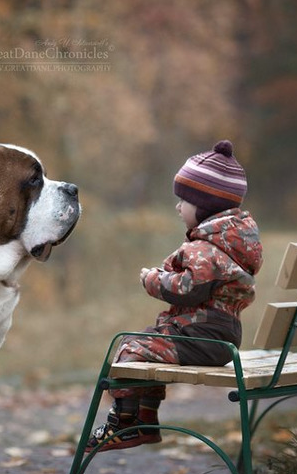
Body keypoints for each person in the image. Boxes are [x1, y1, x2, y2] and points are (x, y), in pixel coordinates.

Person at [86, 140, 263, 453]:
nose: (178, 207)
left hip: (200, 334)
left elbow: (189, 289)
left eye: (185, 200)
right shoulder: (230, 246)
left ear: (205, 205)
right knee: (148, 342)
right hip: (221, 337)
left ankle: (125, 423)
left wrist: (154, 279)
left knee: (129, 348)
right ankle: (144, 421)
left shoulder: (205, 249)